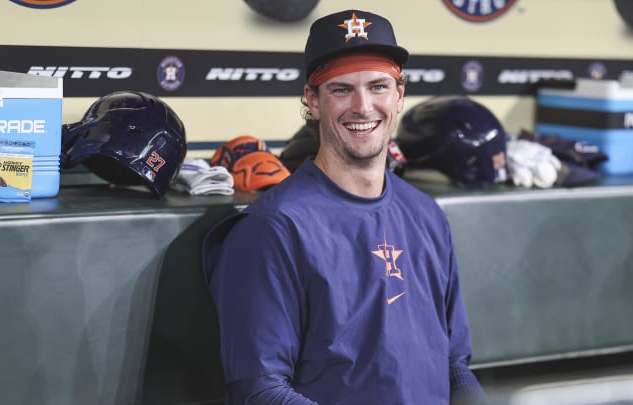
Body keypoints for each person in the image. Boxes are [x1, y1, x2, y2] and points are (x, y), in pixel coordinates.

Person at [202, 9, 485, 404]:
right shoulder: (274, 228)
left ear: (399, 96)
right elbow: (260, 390)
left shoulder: (427, 214)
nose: (363, 106)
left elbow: (454, 362)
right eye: (340, 90)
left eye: (378, 86)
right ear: (312, 101)